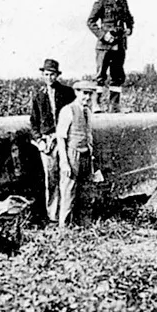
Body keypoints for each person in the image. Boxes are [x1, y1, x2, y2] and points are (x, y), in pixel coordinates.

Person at [30, 59, 75, 223]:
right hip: (48, 141)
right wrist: (39, 140)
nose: (49, 77)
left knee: (67, 175)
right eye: (46, 74)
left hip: (65, 139)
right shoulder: (38, 96)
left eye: (52, 74)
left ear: (57, 75)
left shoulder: (67, 93)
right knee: (51, 179)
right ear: (42, 75)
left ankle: (66, 214)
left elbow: (74, 114)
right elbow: (34, 122)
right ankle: (53, 216)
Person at [87, 0, 134, 113]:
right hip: (105, 45)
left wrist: (129, 29)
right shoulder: (102, 1)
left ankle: (114, 105)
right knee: (100, 74)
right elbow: (90, 22)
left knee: (117, 75)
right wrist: (103, 35)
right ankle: (96, 104)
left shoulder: (123, 3)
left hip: (119, 43)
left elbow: (129, 19)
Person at [57, 80, 98, 227]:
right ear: (76, 93)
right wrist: (64, 162)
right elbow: (61, 138)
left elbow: (88, 134)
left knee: (86, 191)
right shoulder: (68, 110)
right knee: (68, 191)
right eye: (84, 93)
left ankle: (84, 225)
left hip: (85, 155)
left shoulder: (87, 112)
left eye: (90, 94)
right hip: (72, 153)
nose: (87, 97)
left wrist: (91, 156)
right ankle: (64, 227)